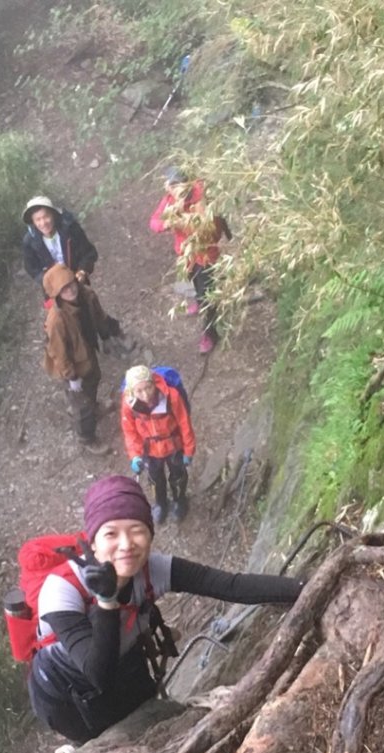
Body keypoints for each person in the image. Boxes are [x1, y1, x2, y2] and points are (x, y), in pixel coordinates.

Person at [27, 475, 303, 742]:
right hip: (69, 693)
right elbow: (98, 675)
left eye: (137, 531)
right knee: (109, 747)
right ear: (93, 542)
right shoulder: (62, 589)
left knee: (156, 720)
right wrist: (106, 600)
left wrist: (303, 588)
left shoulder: (152, 569)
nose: (126, 545)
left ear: (151, 535)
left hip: (124, 661)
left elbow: (230, 585)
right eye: (111, 533)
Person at [149, 168, 232, 354]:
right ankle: (198, 299)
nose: (175, 188)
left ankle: (210, 333)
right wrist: (168, 222)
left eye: (178, 184)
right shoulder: (169, 201)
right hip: (187, 255)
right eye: (171, 185)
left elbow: (205, 228)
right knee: (195, 282)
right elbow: (154, 222)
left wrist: (183, 220)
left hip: (205, 254)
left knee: (207, 296)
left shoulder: (199, 195)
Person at [42, 264, 116, 456]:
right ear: (57, 294)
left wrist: (106, 336)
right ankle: (87, 437)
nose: (70, 290)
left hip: (87, 352)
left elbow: (99, 317)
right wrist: (71, 377)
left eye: (71, 284)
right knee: (81, 406)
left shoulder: (87, 296)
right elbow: (58, 353)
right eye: (64, 289)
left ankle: (95, 406)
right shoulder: (56, 320)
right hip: (71, 365)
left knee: (93, 380)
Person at [121, 365, 195, 524]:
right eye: (139, 391)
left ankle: (179, 501)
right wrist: (135, 456)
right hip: (150, 450)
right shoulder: (128, 404)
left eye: (148, 387)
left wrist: (188, 450)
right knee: (155, 478)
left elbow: (184, 423)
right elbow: (130, 431)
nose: (145, 394)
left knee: (178, 475)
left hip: (173, 445)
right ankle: (160, 503)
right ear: (132, 391)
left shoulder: (171, 397)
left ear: (154, 383)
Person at [22, 195, 98, 289]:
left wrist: (82, 270)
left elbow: (89, 253)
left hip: (76, 280)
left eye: (46, 217)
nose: (43, 223)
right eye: (38, 219)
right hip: (53, 287)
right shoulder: (30, 242)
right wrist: (47, 280)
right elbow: (32, 268)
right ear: (33, 222)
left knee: (89, 300)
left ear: (53, 215)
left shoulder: (70, 229)